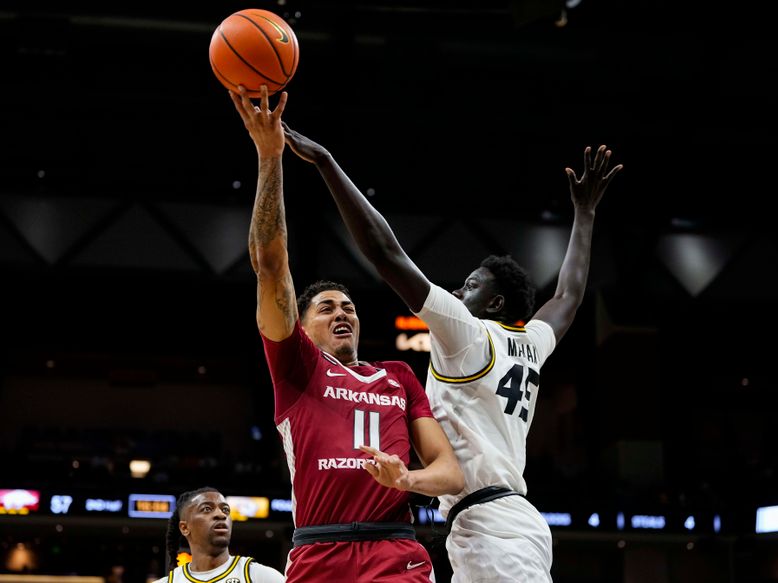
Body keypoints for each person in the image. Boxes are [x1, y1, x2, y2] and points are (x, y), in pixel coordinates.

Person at [280, 120, 622, 582]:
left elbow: (385, 252)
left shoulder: (467, 333)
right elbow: (567, 297)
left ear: (495, 304)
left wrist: (325, 162)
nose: (459, 292)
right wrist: (585, 214)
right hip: (502, 521)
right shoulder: (530, 342)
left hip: (490, 527)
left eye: (471, 286)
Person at [228, 85, 464, 583]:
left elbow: (451, 472)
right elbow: (270, 265)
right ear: (302, 324)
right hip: (319, 550)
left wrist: (409, 478)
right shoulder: (297, 368)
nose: (343, 314)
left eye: (350, 307)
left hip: (393, 547)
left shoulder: (398, 375)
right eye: (327, 307)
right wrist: (270, 157)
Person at [154, 487, 285, 583]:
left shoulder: (261, 577)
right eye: (207, 509)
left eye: (225, 510)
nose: (221, 515)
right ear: (184, 528)